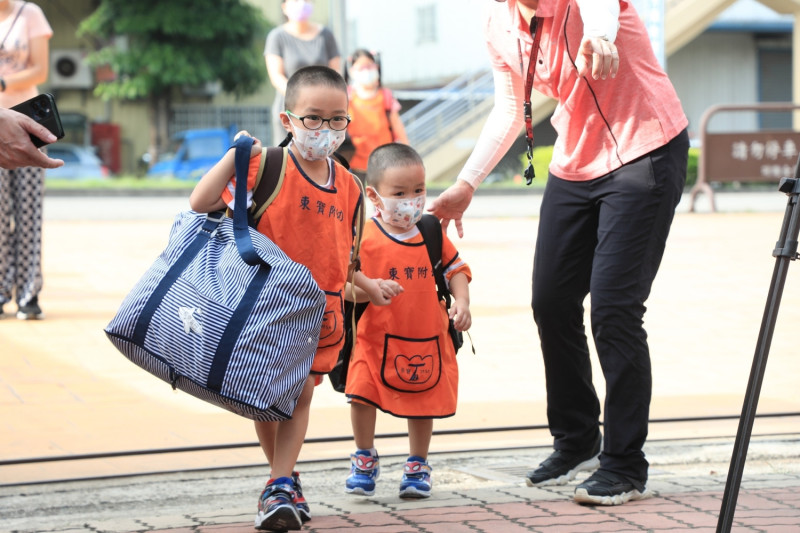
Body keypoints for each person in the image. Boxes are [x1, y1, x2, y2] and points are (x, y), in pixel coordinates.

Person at [428, 0, 689, 507]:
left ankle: (625, 465)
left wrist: (602, 37)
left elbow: (599, 12)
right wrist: (467, 183)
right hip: (575, 161)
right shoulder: (499, 23)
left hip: (644, 150)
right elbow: (509, 107)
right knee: (551, 301)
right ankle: (578, 441)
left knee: (614, 310)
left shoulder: (583, 6)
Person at [190, 65, 397, 532]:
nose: (325, 130)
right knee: (266, 393)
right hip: (262, 307)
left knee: (299, 392)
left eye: (337, 119)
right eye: (312, 118)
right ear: (287, 120)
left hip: (320, 313)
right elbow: (200, 202)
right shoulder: (266, 165)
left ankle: (281, 482)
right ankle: (282, 480)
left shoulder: (349, 186)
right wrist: (233, 156)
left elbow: (344, 260)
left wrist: (368, 287)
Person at [344, 142, 471, 499]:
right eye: (400, 193)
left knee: (423, 400)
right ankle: (364, 456)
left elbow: (455, 269)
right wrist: (369, 289)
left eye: (418, 191)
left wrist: (462, 302)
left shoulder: (431, 231)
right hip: (374, 338)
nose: (411, 200)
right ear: (374, 196)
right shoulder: (363, 237)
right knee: (361, 394)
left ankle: (418, 465)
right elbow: (346, 283)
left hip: (424, 337)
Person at [0, 0, 55, 320]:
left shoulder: (29, 13)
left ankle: (28, 293)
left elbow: (41, 69)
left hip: (29, 123)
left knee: (29, 213)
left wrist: (4, 82)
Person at [265, 0, 341, 146]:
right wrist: (302, 97)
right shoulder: (276, 36)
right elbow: (276, 76)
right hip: (291, 108)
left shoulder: (325, 35)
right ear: (284, 6)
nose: (301, 3)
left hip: (324, 108)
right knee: (289, 157)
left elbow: (336, 72)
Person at [345, 49, 408, 179]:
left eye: (369, 66)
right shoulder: (347, 97)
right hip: (354, 161)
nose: (367, 71)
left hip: (383, 160)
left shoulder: (386, 96)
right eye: (362, 67)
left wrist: (407, 149)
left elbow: (397, 124)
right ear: (352, 71)